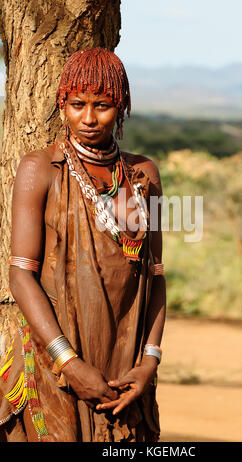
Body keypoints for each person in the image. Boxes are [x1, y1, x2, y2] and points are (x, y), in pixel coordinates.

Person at [0, 47, 166, 442]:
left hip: (125, 375)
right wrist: (69, 363)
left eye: (103, 105)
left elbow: (155, 275)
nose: (89, 118)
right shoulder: (40, 168)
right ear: (63, 104)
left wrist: (148, 363)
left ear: (121, 106)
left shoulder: (143, 176)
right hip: (52, 367)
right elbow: (21, 274)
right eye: (77, 104)